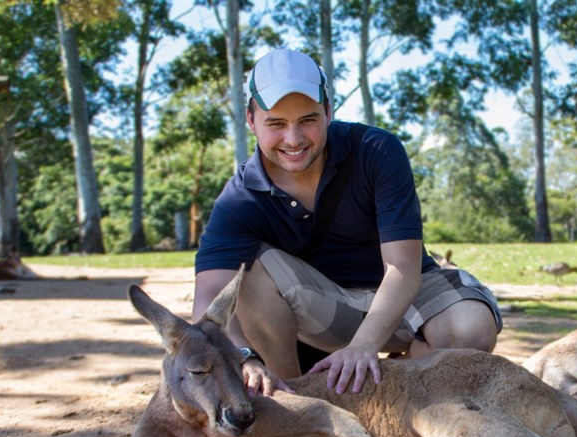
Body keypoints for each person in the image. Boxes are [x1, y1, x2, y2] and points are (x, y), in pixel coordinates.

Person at [192, 48, 502, 398]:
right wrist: (242, 356)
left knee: (471, 330)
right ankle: (296, 400)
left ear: (328, 111)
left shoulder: (377, 150)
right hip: (321, 309)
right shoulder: (241, 197)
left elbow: (402, 267)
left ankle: (392, 377)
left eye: (307, 120)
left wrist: (365, 344)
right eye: (276, 124)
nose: (293, 139)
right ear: (251, 121)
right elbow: (208, 298)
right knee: (245, 276)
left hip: (401, 293)